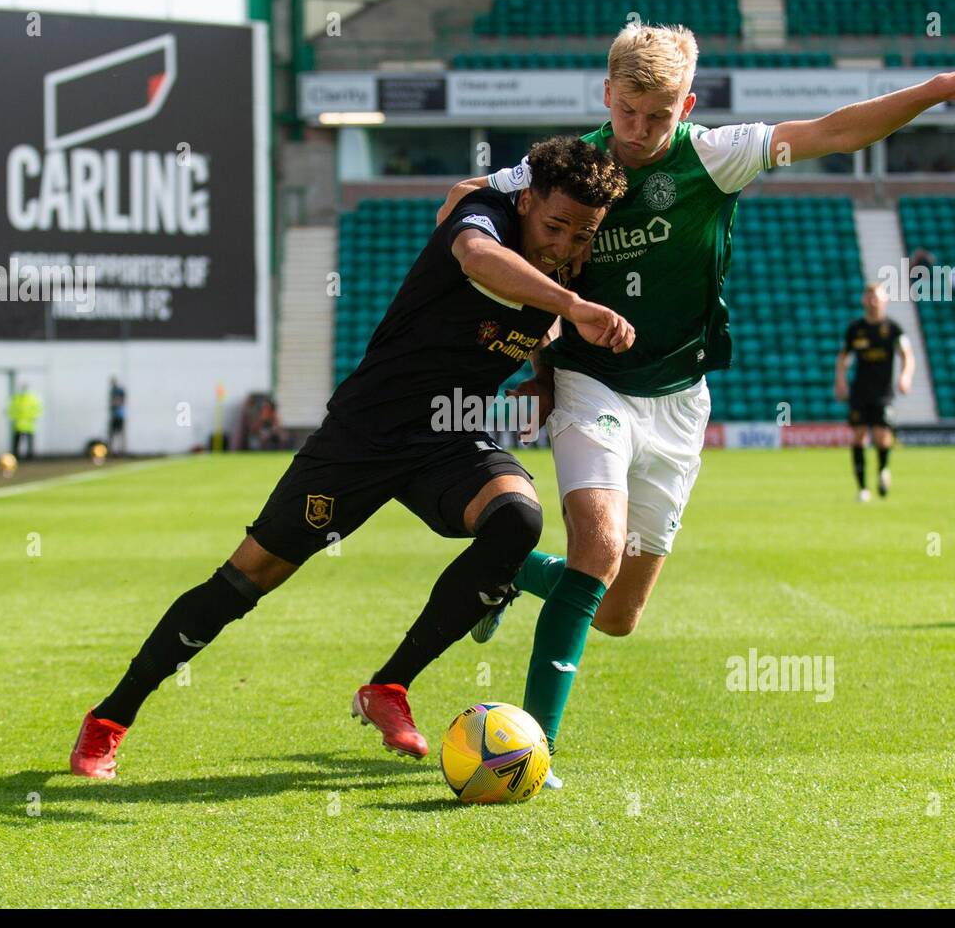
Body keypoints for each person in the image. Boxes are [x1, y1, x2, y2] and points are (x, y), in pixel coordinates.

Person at [433, 25, 955, 787]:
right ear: (607, 97)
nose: (642, 134)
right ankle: (532, 753)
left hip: (682, 400)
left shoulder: (714, 155)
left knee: (617, 612)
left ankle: (513, 570)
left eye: (659, 117)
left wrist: (941, 88)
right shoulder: (566, 167)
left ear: (685, 106)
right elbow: (466, 202)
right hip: (593, 383)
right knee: (598, 551)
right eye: (628, 114)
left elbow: (834, 130)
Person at [69, 137, 633, 778]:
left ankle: (388, 688)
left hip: (451, 432)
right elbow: (480, 261)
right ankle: (110, 718)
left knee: (517, 521)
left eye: (583, 235)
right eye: (556, 227)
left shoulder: (569, 261)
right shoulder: (486, 219)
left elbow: (543, 322)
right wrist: (575, 305)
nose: (566, 247)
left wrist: (545, 374)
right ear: (526, 200)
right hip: (365, 434)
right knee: (248, 578)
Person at [835, 283, 914, 501]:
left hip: (883, 393)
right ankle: (862, 488)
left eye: (876, 297)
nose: (872, 301)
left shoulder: (893, 329)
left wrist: (905, 376)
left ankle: (882, 470)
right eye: (869, 297)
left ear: (884, 300)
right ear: (863, 300)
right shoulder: (855, 329)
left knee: (882, 437)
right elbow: (843, 357)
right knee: (859, 436)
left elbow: (907, 355)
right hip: (860, 392)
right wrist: (840, 380)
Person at [7, 385, 42, 460]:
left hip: (28, 425)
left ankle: (30, 456)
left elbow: (37, 409)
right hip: (19, 425)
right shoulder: (17, 398)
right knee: (17, 442)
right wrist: (13, 418)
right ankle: (16, 456)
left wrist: (34, 417)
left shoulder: (32, 399)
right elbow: (11, 409)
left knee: (29, 442)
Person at [107, 377, 126, 455]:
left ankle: (121, 450)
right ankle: (111, 450)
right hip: (114, 416)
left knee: (120, 434)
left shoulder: (119, 391)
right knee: (112, 434)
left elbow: (120, 402)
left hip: (119, 416)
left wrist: (115, 403)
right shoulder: (112, 391)